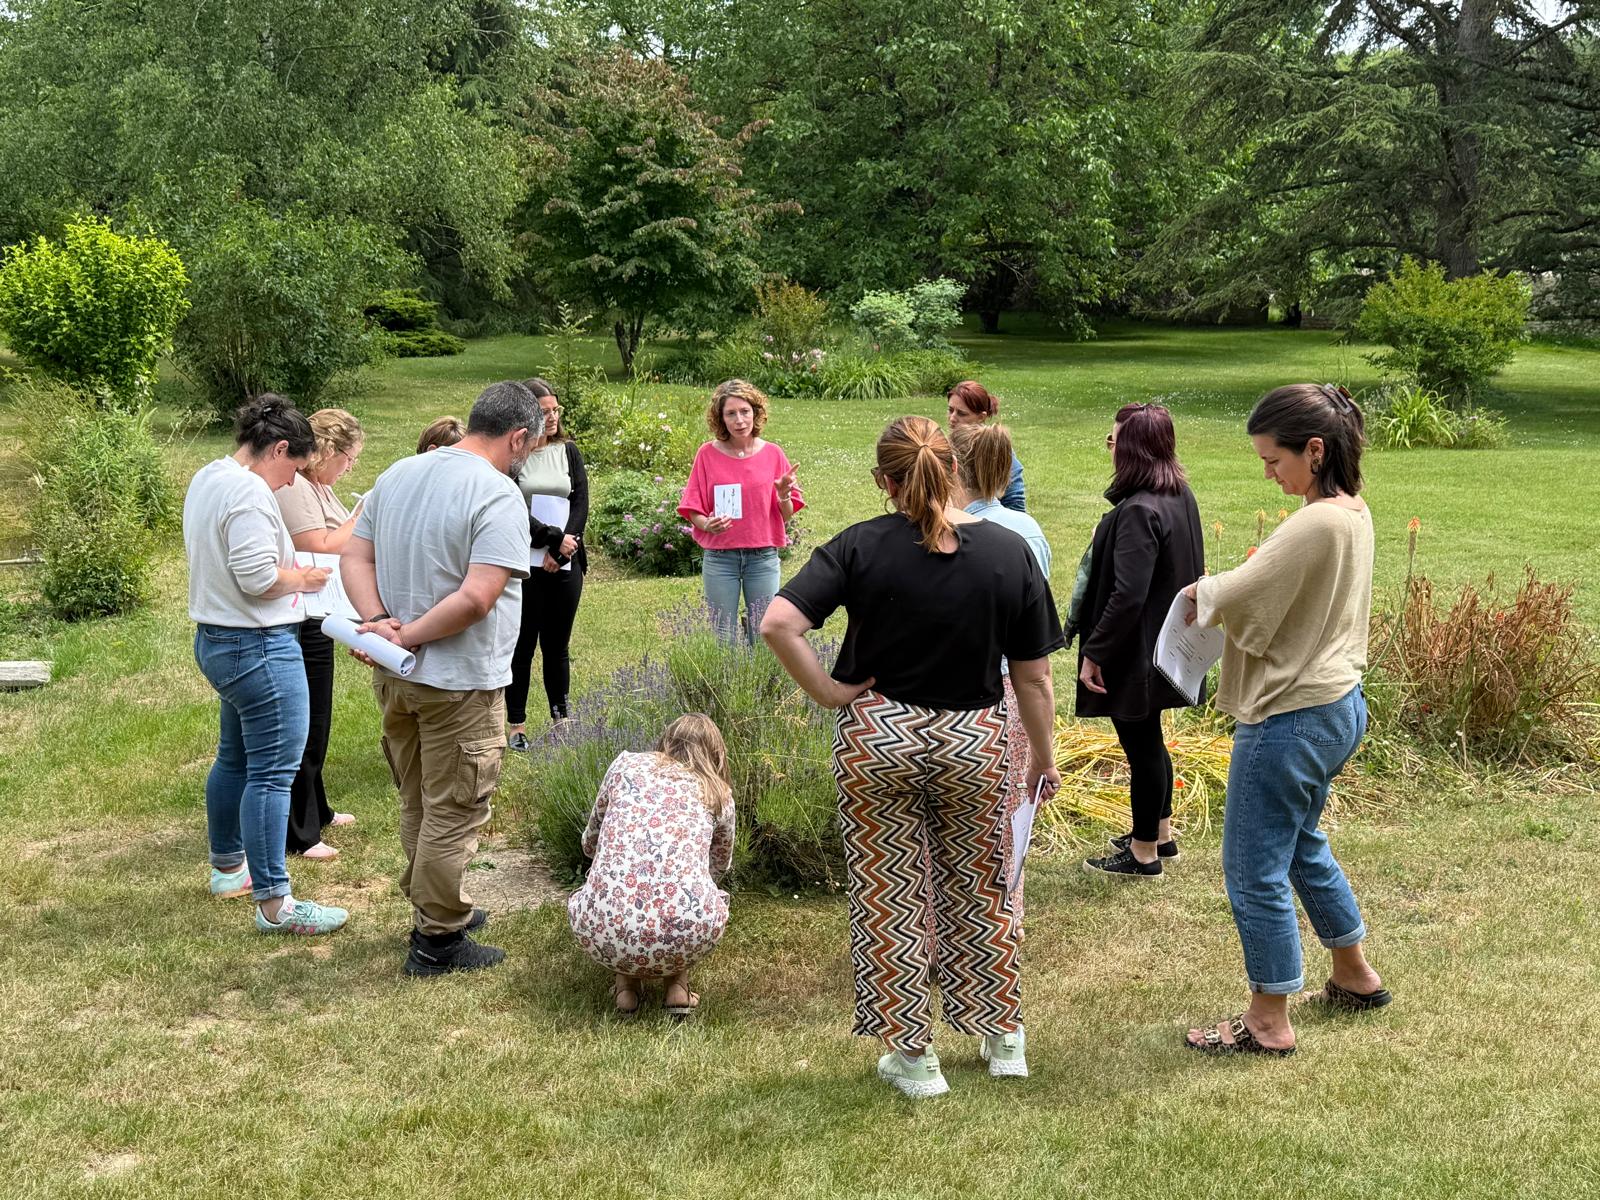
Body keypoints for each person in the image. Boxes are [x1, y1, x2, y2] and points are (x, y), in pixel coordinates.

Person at [761, 416, 1064, 1100]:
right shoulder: (1009, 552)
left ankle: (915, 1057)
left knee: (891, 894)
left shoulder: (860, 545)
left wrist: (830, 691)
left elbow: (779, 622)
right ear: (956, 471)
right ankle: (1003, 1038)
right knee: (984, 887)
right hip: (974, 740)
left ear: (884, 481)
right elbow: (1035, 678)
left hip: (881, 739)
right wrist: (1042, 758)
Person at [1181, 383, 1389, 1056]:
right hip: (1337, 705)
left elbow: (1240, 593)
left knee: (1252, 867)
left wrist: (1197, 594)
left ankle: (1268, 1017)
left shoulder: (1315, 522)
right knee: (1300, 843)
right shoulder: (1351, 510)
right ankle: (1355, 974)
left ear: (1315, 449)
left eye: (1274, 459)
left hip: (1290, 717)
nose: (1267, 472)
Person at [342, 381, 537, 977]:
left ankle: (435, 904)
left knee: (419, 799)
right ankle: (437, 941)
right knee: (454, 807)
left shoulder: (401, 472)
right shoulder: (498, 494)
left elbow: (354, 556)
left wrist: (377, 623)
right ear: (519, 436)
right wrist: (406, 634)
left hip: (398, 676)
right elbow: (478, 598)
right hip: (458, 681)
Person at [182, 395, 349, 937]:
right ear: (278, 448)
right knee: (274, 772)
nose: (289, 484)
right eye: (293, 469)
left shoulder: (210, 475)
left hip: (217, 639)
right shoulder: (252, 493)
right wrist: (303, 578)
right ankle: (276, 903)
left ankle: (230, 870)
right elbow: (257, 577)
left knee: (234, 758)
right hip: (258, 647)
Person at [1075, 403, 1205, 880]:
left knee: (1141, 746)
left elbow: (1126, 594)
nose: (1109, 449)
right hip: (1170, 643)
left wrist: (1096, 652)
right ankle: (1161, 832)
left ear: (1130, 450)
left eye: (1113, 441)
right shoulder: (1179, 494)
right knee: (1151, 740)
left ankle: (1143, 851)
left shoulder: (1138, 510)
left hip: (1137, 649)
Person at [948, 420, 1051, 936]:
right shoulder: (1027, 531)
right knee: (1011, 806)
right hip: (1014, 684)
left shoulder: (952, 530)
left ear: (955, 470)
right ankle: (1005, 914)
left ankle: (955, 918)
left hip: (964, 684)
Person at [568, 714, 736, 1020]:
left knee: (626, 899)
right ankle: (677, 988)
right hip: (687, 930)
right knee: (690, 895)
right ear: (716, 754)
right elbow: (718, 867)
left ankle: (626, 989)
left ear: (665, 741)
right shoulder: (718, 793)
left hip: (603, 928)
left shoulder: (625, 766)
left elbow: (590, 843)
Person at [274, 407, 365, 861]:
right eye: (349, 458)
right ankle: (300, 831)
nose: (350, 468)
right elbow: (320, 545)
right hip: (304, 613)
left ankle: (319, 808)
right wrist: (364, 512)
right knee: (306, 722)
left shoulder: (320, 488)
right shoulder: (297, 490)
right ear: (329, 449)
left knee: (319, 716)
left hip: (323, 608)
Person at [678, 379, 803, 644]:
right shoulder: (706, 455)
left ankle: (761, 687)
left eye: (745, 411)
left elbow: (788, 513)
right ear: (720, 419)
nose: (739, 420)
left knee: (763, 635)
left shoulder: (773, 454)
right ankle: (727, 687)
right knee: (724, 637)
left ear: (755, 413)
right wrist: (707, 524)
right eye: (731, 413)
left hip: (763, 558)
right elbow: (692, 509)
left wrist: (782, 495)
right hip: (721, 559)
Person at [506, 379, 588, 749]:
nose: (552, 417)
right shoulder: (513, 458)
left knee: (557, 646)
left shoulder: (568, 451)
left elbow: (581, 502)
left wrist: (563, 549)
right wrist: (552, 538)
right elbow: (512, 507)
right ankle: (517, 725)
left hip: (566, 563)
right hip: (525, 563)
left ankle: (561, 720)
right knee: (523, 645)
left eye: (556, 410)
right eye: (543, 412)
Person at [946, 380, 1025, 511]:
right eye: (950, 410)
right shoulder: (942, 445)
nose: (952, 418)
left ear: (981, 417)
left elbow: (1014, 503)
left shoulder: (998, 450)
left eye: (961, 413)